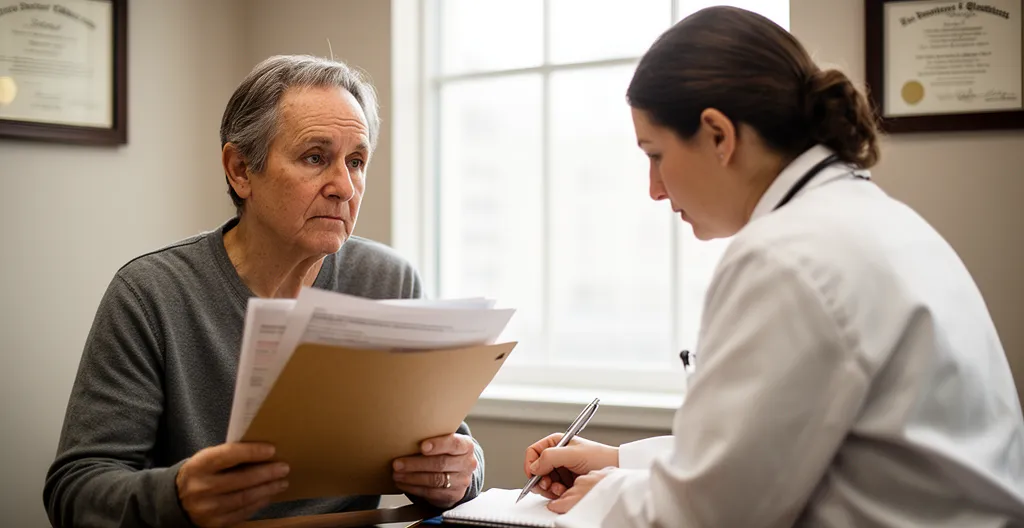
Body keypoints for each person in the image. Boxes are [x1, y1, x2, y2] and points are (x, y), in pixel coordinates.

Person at [522, 7, 1024, 527]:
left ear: (718, 135)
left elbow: (707, 517)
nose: (654, 189)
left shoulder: (786, 257)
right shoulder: (877, 222)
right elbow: (781, 444)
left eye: (655, 154)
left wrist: (606, 496)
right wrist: (621, 462)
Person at [44, 55, 484, 528]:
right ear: (240, 170)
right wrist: (176, 495)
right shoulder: (150, 294)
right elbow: (75, 491)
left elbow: (451, 450)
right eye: (315, 157)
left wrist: (460, 473)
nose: (344, 186)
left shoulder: (389, 281)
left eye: (356, 162)